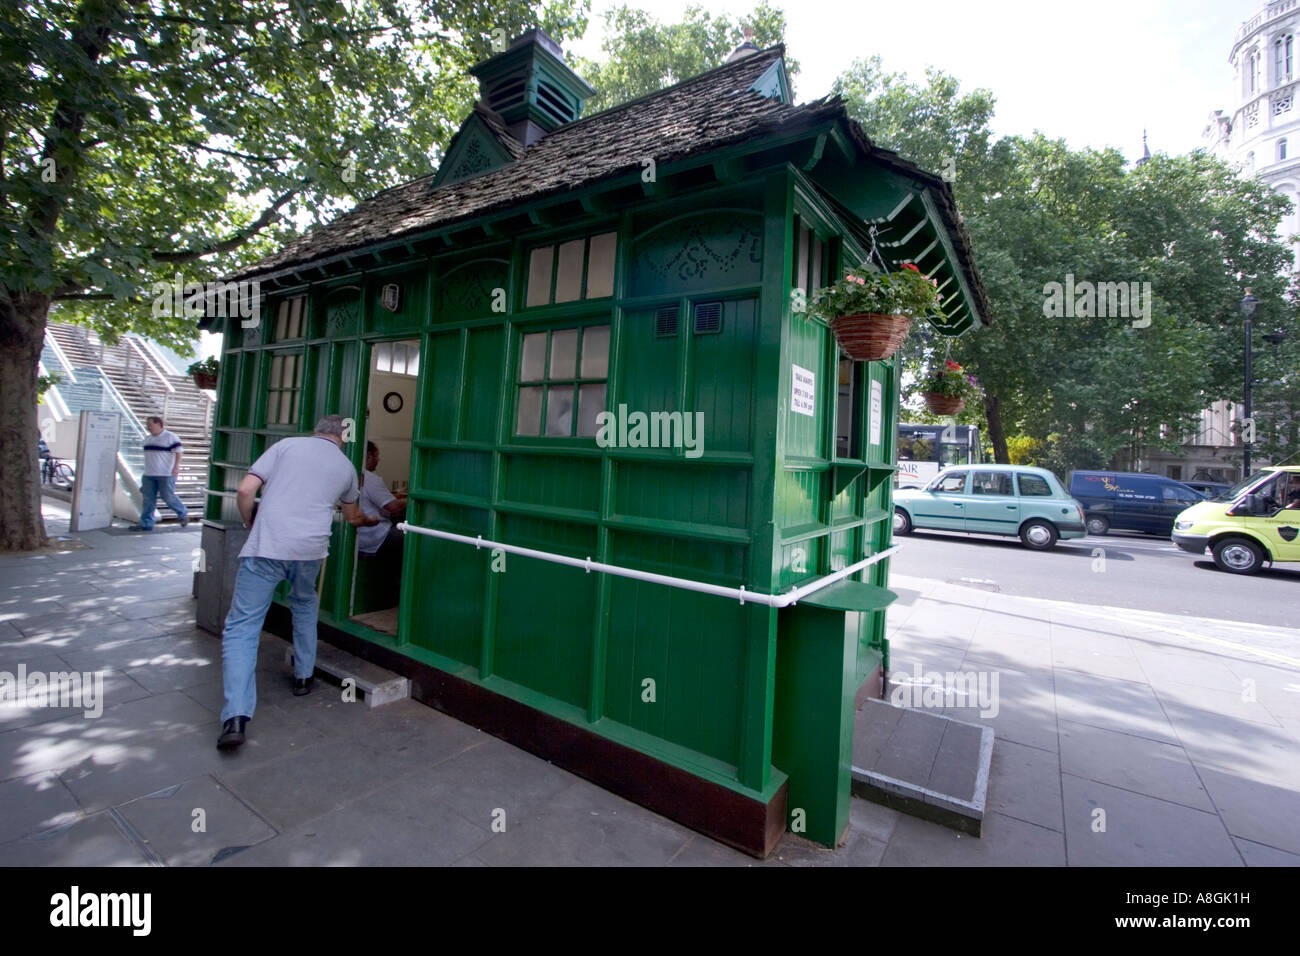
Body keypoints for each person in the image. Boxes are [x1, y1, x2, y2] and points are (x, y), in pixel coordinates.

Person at [217, 415, 380, 750]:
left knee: (243, 627)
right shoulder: (347, 468)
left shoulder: (286, 446)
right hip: (310, 550)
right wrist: (372, 519)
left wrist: (251, 521)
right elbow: (353, 517)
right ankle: (304, 676)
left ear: (315, 431)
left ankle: (236, 717)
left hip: (268, 547)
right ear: (342, 438)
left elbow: (246, 489)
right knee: (304, 604)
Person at [131, 416, 188, 531]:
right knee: (148, 499)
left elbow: (179, 452)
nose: (148, 427)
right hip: (149, 474)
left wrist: (176, 467)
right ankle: (146, 523)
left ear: (159, 424)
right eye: (147, 425)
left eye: (150, 424)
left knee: (167, 496)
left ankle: (182, 513)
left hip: (166, 473)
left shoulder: (170, 437)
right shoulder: (147, 439)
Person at [356, 441, 407, 561]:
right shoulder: (370, 478)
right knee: (413, 537)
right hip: (376, 537)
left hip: (361, 538)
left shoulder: (353, 474)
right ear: (369, 456)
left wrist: (398, 496)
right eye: (377, 456)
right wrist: (411, 499)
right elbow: (394, 507)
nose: (378, 460)